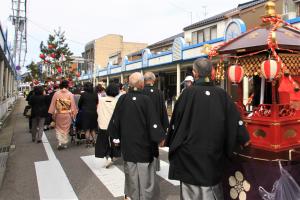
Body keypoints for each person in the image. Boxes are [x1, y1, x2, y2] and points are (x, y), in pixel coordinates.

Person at [166, 58, 250, 200]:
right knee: (212, 192)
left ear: (194, 73)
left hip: (189, 155)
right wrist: (244, 139)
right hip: (213, 154)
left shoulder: (187, 94)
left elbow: (175, 123)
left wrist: (169, 140)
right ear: (212, 72)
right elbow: (235, 121)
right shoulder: (222, 94)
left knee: (190, 193)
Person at [107, 72, 165, 200]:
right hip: (144, 146)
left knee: (131, 174)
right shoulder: (146, 100)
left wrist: (115, 138)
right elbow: (153, 122)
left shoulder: (122, 99)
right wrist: (160, 137)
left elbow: (115, 121)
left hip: (128, 145)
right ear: (142, 84)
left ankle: (133, 197)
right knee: (145, 177)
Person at [143, 71, 169, 171]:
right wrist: (164, 128)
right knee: (154, 146)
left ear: (144, 81)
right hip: (157, 124)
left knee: (145, 145)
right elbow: (163, 110)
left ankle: (146, 165)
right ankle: (155, 166)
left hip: (144, 124)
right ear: (153, 80)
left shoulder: (142, 91)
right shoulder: (159, 92)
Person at [95, 83, 120, 168]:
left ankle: (107, 156)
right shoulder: (117, 101)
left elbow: (98, 111)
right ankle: (112, 156)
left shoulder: (101, 100)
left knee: (104, 142)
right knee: (113, 142)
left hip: (102, 125)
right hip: (113, 125)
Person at [48, 80, 77, 150]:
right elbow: (73, 105)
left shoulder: (56, 93)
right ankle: (64, 143)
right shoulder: (70, 94)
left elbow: (53, 104)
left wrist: (51, 112)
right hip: (67, 113)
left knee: (58, 128)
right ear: (67, 86)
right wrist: (74, 113)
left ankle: (60, 142)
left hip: (58, 113)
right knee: (66, 129)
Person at [78, 82, 98, 147]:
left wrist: (81, 108)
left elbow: (79, 104)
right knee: (93, 128)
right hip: (94, 112)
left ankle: (88, 142)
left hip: (85, 113)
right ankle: (95, 141)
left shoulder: (83, 94)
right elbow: (97, 102)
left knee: (87, 129)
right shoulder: (95, 94)